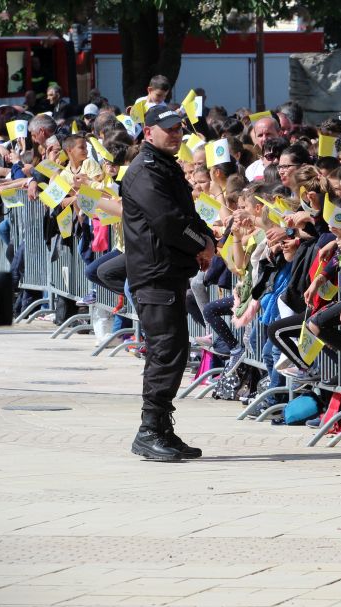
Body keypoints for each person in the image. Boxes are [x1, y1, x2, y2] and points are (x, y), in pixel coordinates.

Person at [122, 105, 215, 461]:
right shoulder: (145, 171)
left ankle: (161, 427)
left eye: (179, 128)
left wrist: (208, 239)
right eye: (168, 129)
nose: (175, 133)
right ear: (148, 133)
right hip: (154, 274)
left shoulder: (164, 166)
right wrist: (201, 243)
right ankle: (149, 431)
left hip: (168, 272)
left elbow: (188, 215)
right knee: (166, 351)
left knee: (173, 350)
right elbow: (169, 221)